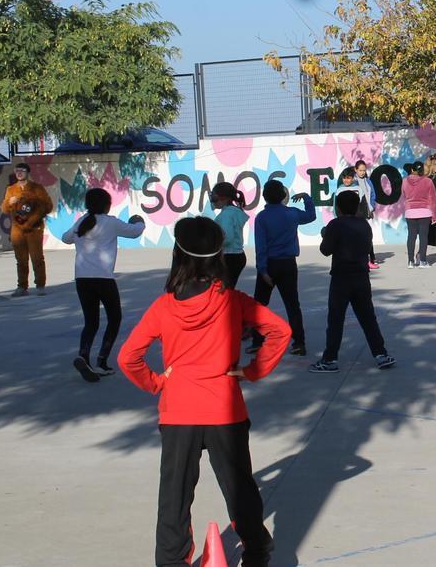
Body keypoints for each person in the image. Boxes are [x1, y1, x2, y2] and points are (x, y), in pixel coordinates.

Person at [118, 216, 290, 567]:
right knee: (240, 488)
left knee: (175, 494)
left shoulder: (164, 306)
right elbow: (280, 331)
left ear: (178, 255)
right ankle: (256, 552)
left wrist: (157, 382)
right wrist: (252, 371)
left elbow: (128, 358)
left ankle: (170, 561)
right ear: (218, 256)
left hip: (179, 411)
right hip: (225, 408)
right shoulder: (232, 300)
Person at [60, 188, 145, 382]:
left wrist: (76, 232)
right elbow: (135, 232)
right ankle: (102, 361)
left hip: (82, 280)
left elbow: (65, 238)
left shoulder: (81, 222)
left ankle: (83, 356)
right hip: (103, 279)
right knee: (114, 319)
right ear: (107, 205)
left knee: (91, 322)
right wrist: (139, 220)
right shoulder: (111, 222)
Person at [309, 190, 397, 373]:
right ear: (357, 206)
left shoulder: (335, 225)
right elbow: (366, 248)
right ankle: (380, 354)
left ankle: (330, 359)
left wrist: (326, 235)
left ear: (338, 208)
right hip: (361, 277)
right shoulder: (365, 225)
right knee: (368, 318)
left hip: (341, 277)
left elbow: (325, 250)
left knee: (335, 319)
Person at [249, 179, 315, 356]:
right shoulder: (292, 214)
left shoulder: (262, 218)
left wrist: (262, 270)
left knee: (259, 305)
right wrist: (307, 199)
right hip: (288, 264)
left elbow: (260, 246)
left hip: (269, 264)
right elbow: (310, 216)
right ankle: (299, 343)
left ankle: (257, 341)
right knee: (292, 305)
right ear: (283, 196)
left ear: (265, 197)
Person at [1, 163, 54, 296]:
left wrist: (36, 208)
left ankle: (40, 286)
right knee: (21, 260)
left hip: (34, 228)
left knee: (37, 258)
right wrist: (9, 202)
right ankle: (22, 287)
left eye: (22, 170)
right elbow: (4, 209)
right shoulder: (11, 189)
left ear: (27, 172)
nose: (19, 173)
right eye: (17, 170)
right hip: (17, 230)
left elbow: (48, 206)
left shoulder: (37, 188)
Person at [207, 182, 249, 289]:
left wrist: (211, 245)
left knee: (222, 293)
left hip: (229, 257)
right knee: (227, 291)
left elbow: (227, 238)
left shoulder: (226, 215)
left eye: (214, 198)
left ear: (224, 198)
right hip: (237, 256)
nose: (213, 201)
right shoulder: (234, 211)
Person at [402, 161, 436, 269]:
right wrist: (435, 215)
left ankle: (410, 261)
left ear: (412, 170)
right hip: (425, 212)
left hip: (410, 212)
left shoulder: (404, 181)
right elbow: (433, 199)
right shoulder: (428, 181)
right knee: (423, 237)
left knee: (411, 237)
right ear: (422, 170)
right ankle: (422, 261)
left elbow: (404, 195)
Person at [354, 159, 380, 270]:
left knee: (368, 236)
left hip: (367, 213)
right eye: (360, 170)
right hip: (356, 213)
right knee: (357, 237)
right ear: (355, 170)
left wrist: (372, 206)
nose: (362, 172)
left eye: (364, 170)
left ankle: (371, 258)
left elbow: (373, 194)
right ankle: (358, 259)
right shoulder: (353, 182)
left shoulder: (368, 181)